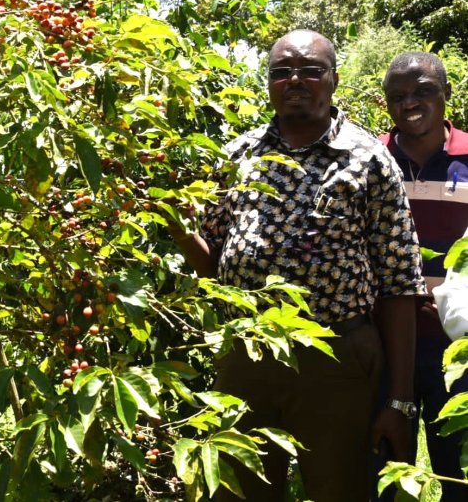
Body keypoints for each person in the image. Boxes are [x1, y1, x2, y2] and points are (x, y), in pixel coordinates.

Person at [166, 30, 426, 501]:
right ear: (269, 84)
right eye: (282, 72)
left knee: (338, 488)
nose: (295, 81)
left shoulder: (368, 159)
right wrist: (182, 232)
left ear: (333, 80)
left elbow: (398, 282)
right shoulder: (240, 155)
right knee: (233, 490)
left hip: (336, 360)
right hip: (247, 356)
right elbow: (216, 266)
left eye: (310, 70)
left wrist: (400, 398)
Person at [377, 51, 468, 500]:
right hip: (384, 342)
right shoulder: (369, 157)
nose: (411, 103)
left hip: (458, 349)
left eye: (424, 91)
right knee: (382, 471)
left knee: (458, 472)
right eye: (399, 96)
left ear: (447, 94)